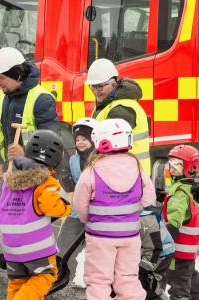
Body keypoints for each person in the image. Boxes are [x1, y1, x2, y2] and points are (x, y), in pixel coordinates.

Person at [73, 118, 156, 300]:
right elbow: (149, 198)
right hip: (130, 237)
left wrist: (87, 219)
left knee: (99, 281)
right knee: (128, 280)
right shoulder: (136, 166)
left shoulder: (92, 170)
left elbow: (80, 203)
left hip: (100, 238)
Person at [0, 130, 71, 300]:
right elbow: (51, 207)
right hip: (38, 250)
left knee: (17, 282)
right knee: (46, 276)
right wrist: (65, 207)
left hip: (11, 249)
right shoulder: (46, 182)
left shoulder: (9, 181)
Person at [0, 47, 59, 179]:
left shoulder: (41, 99)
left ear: (17, 76)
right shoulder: (2, 95)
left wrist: (25, 153)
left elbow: (52, 143)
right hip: (9, 170)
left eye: (2, 78)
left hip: (34, 173)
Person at [86, 58, 151, 175]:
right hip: (122, 172)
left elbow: (109, 144)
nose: (96, 91)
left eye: (100, 86)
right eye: (93, 86)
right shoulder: (106, 105)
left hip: (128, 175)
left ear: (114, 84)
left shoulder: (121, 109)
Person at [161, 145, 199, 300]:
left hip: (177, 252)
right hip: (188, 252)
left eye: (178, 164)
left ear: (190, 167)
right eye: (171, 164)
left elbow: (174, 221)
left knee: (179, 288)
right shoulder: (191, 188)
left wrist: (162, 245)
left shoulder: (179, 193)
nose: (172, 168)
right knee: (191, 280)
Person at [56, 117, 95, 288]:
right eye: (77, 139)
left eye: (84, 139)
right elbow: (65, 175)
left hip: (97, 214)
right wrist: (68, 183)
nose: (80, 142)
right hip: (76, 212)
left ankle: (97, 284)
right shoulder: (72, 160)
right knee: (65, 245)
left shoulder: (100, 159)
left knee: (97, 250)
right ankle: (65, 278)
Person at [138, 209, 174, 300]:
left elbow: (153, 249)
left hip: (161, 254)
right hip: (150, 251)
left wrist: (144, 268)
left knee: (146, 284)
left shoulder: (145, 220)